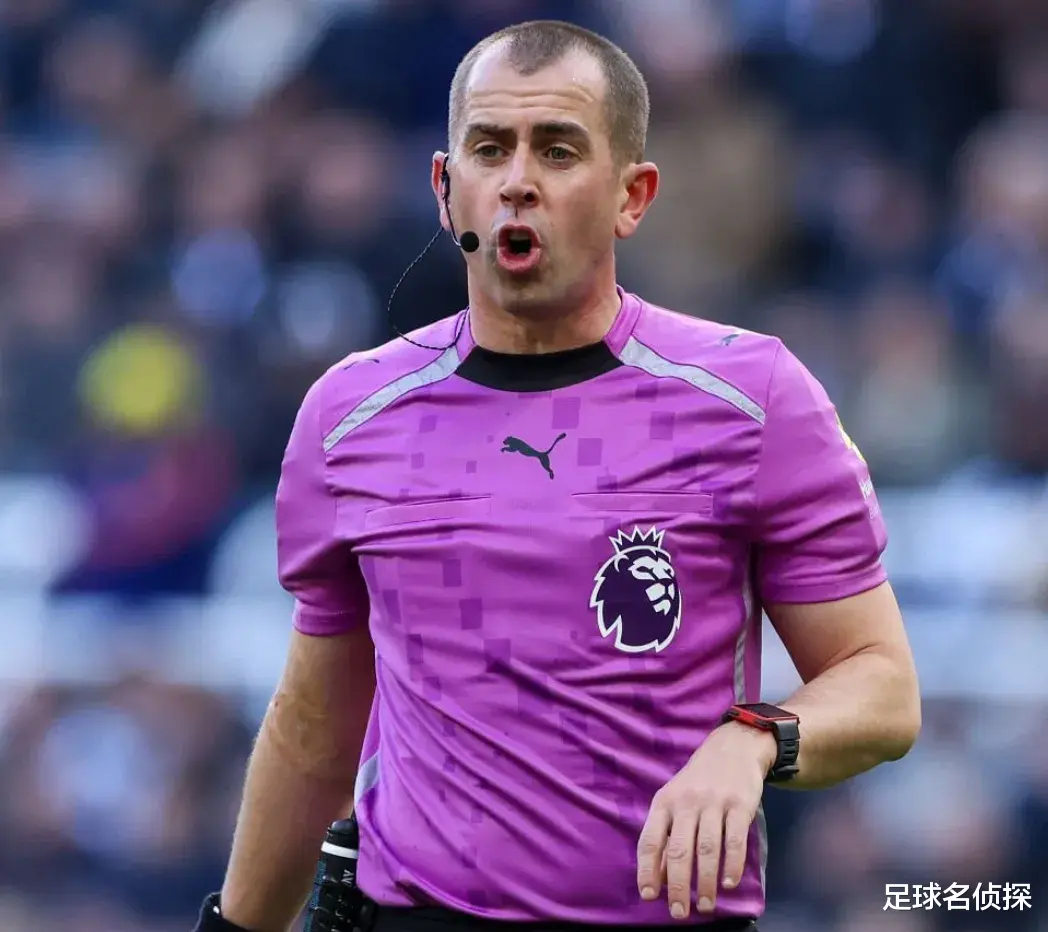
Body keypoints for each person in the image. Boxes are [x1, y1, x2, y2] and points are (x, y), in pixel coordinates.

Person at [196, 19, 921, 932]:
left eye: (558, 149)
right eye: (489, 149)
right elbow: (314, 730)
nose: (518, 180)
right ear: (445, 188)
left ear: (632, 196)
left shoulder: (752, 398)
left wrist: (752, 743)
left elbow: (881, 688)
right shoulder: (350, 417)